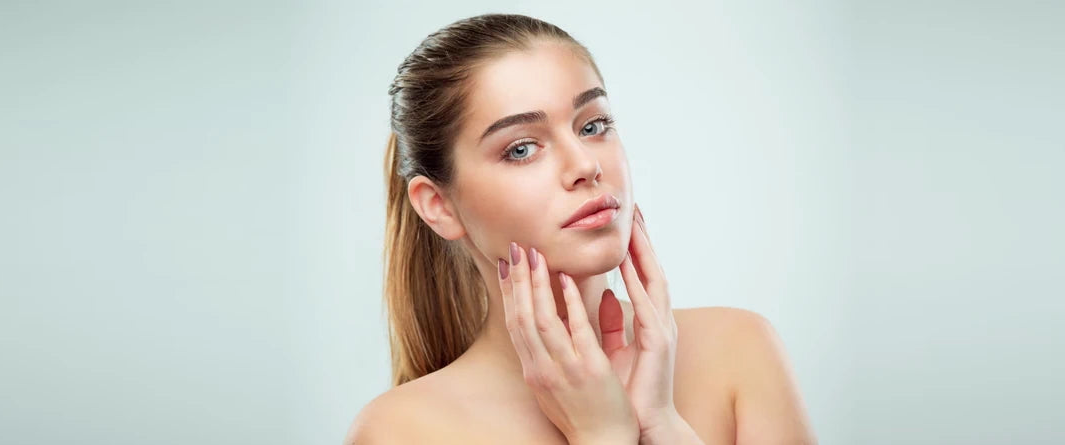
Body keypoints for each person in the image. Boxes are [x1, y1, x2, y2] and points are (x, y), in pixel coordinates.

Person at [345, 13, 814, 445]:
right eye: (522, 149)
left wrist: (661, 425)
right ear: (439, 206)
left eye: (593, 125)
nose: (585, 165)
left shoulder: (740, 351)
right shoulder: (400, 430)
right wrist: (604, 434)